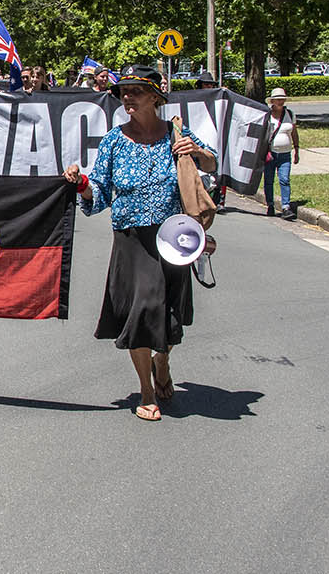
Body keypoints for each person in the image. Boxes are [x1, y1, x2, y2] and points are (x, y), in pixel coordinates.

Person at [63, 64, 217, 422]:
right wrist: (81, 183)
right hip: (131, 238)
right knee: (142, 310)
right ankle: (147, 391)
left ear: (155, 97)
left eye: (135, 91)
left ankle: (162, 361)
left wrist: (194, 151)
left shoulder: (175, 133)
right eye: (123, 91)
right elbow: (99, 192)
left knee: (170, 316)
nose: (127, 97)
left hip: (175, 237)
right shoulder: (115, 140)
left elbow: (211, 162)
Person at [264, 87, 300, 220]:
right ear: (272, 101)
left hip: (285, 154)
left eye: (282, 99)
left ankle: (286, 206)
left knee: (284, 179)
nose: (280, 102)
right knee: (269, 180)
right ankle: (270, 205)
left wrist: (296, 149)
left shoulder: (290, 114)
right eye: (277, 99)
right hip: (270, 153)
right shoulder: (267, 115)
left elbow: (294, 132)